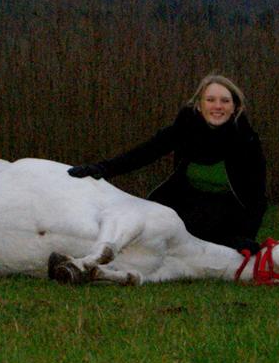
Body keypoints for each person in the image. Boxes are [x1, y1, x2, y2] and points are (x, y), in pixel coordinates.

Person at [68, 74, 267, 253]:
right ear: (199, 105)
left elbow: (256, 196)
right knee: (151, 224)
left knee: (199, 227)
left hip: (227, 210)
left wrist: (247, 235)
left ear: (235, 107)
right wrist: (102, 168)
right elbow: (146, 152)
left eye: (225, 101)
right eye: (210, 100)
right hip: (186, 201)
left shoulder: (246, 140)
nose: (217, 106)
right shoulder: (185, 127)